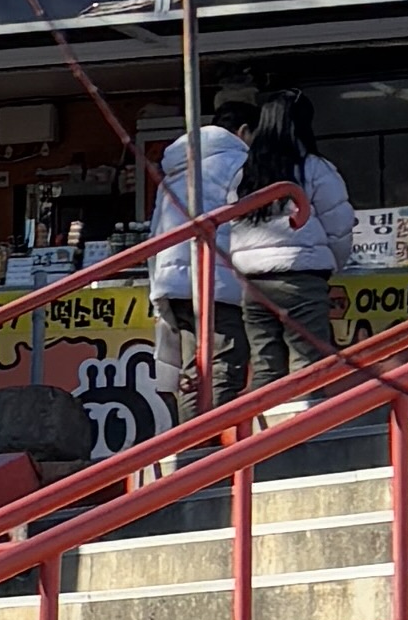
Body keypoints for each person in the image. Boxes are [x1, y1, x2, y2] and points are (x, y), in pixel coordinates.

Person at [228, 89, 354, 388]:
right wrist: (331, 265)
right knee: (307, 365)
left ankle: (263, 419)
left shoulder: (245, 173)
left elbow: (230, 225)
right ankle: (306, 420)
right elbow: (339, 226)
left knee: (265, 367)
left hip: (254, 283)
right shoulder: (315, 168)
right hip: (301, 278)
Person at [148, 95, 250, 413]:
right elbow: (246, 223)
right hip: (217, 282)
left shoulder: (178, 168)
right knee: (225, 367)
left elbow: (155, 232)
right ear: (244, 131)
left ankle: (192, 440)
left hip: (175, 283)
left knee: (193, 374)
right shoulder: (239, 163)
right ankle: (215, 441)